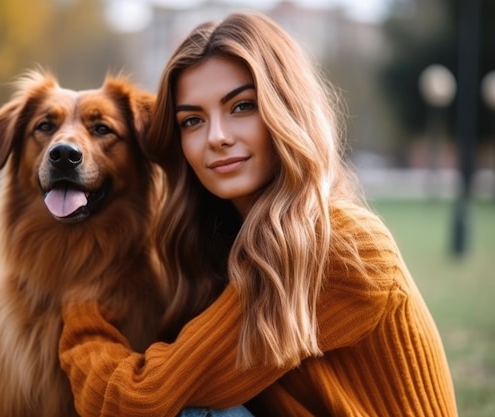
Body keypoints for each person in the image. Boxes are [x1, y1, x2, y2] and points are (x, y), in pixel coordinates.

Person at [59, 11, 458, 417]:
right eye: (193, 120)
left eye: (242, 106)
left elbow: (138, 401)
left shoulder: (342, 245)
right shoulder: (228, 243)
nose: (216, 137)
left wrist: (80, 312)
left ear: (286, 110)